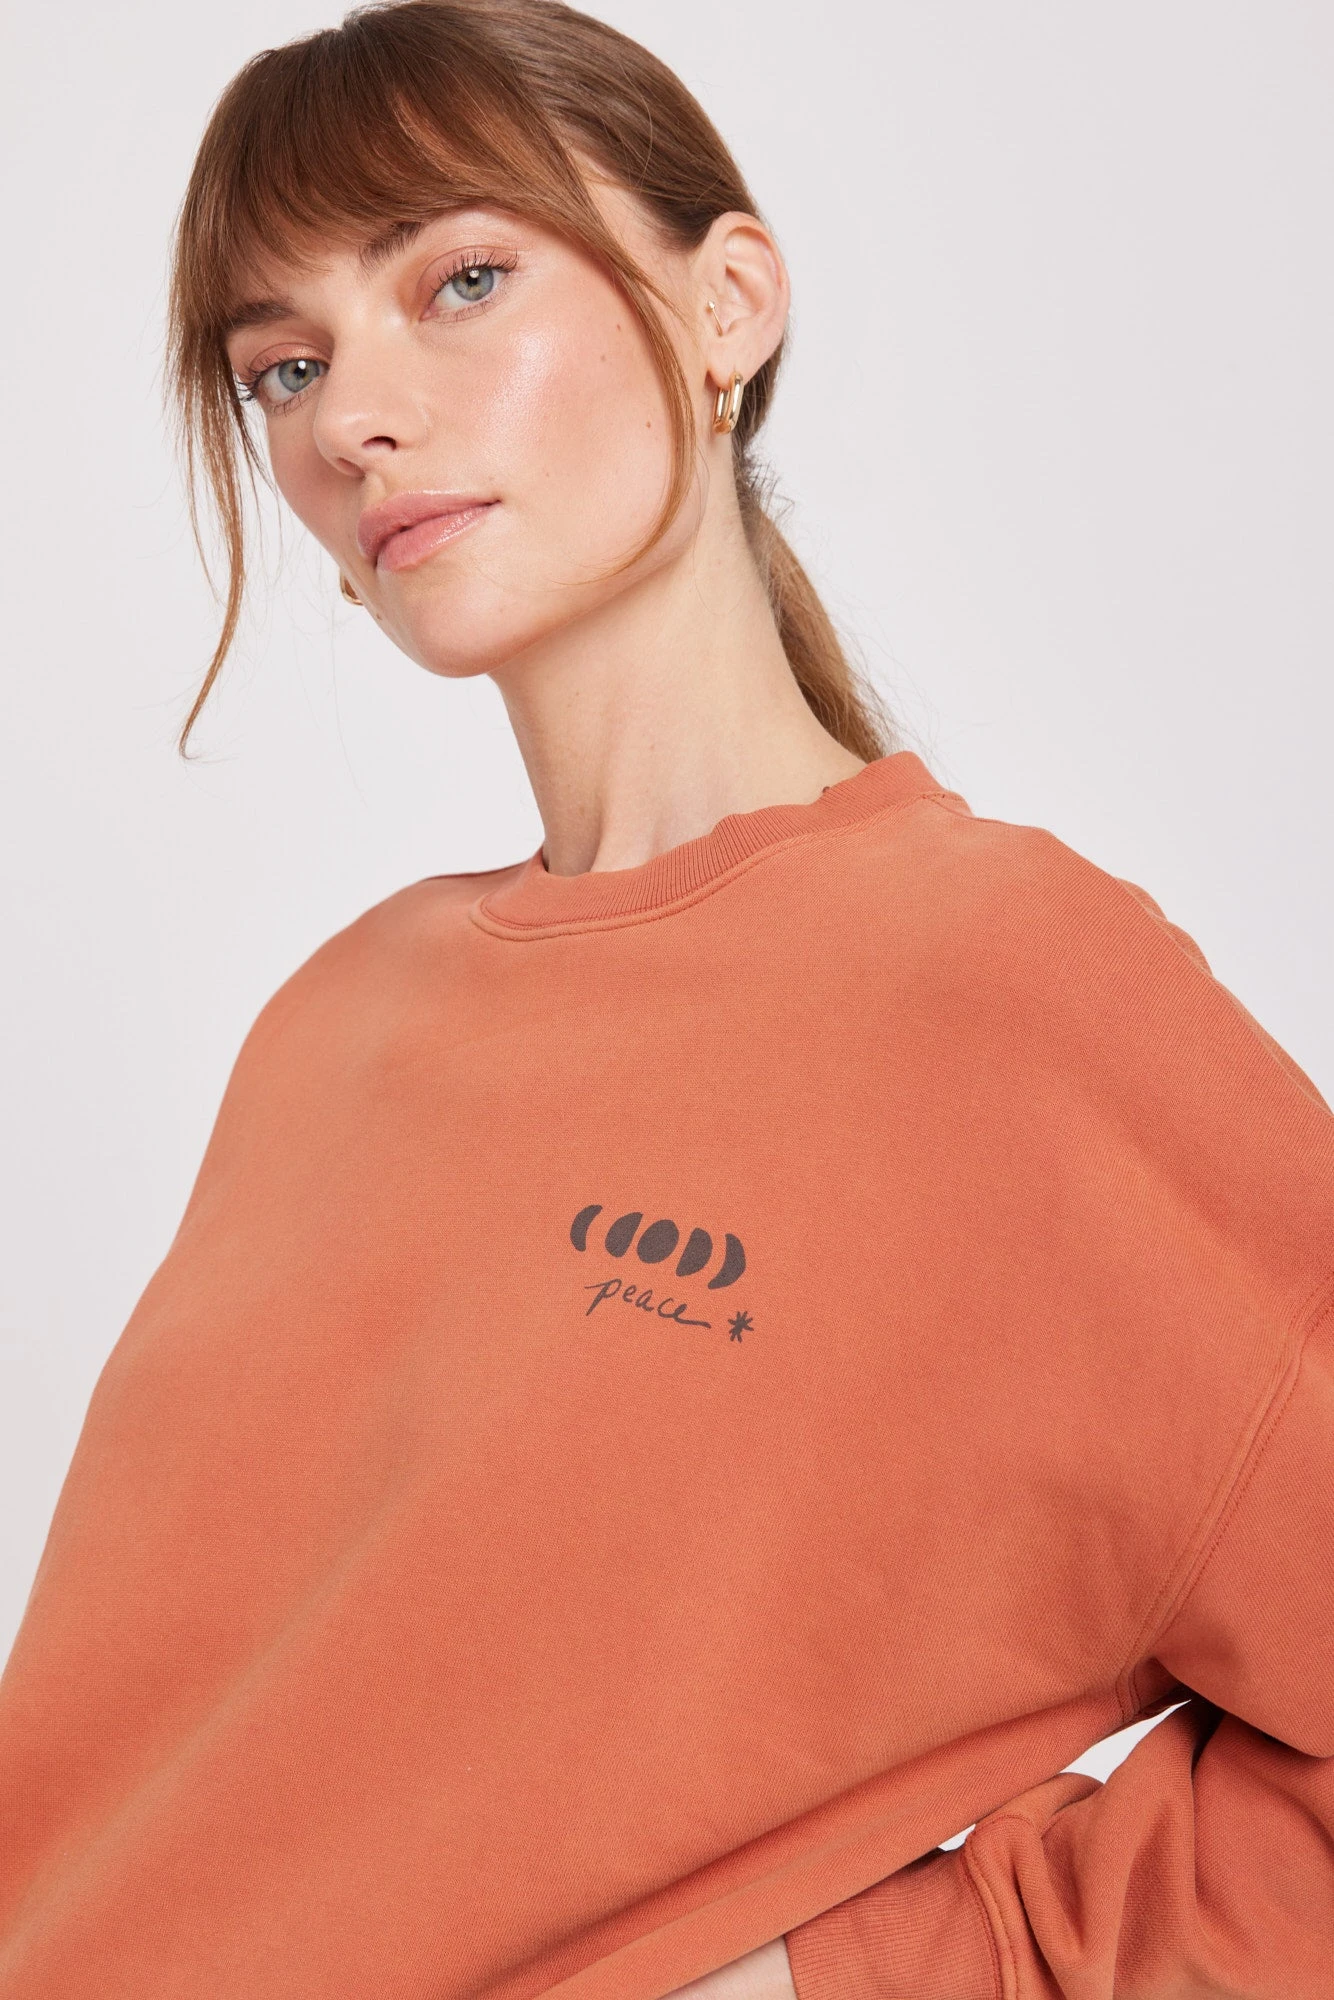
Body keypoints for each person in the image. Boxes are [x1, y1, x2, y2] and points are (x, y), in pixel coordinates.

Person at [1, 1, 1331, 1995]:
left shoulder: (1014, 999)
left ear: (726, 306)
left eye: (459, 280)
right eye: (285, 364)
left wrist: (862, 1978)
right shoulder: (335, 1026)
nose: (353, 417)